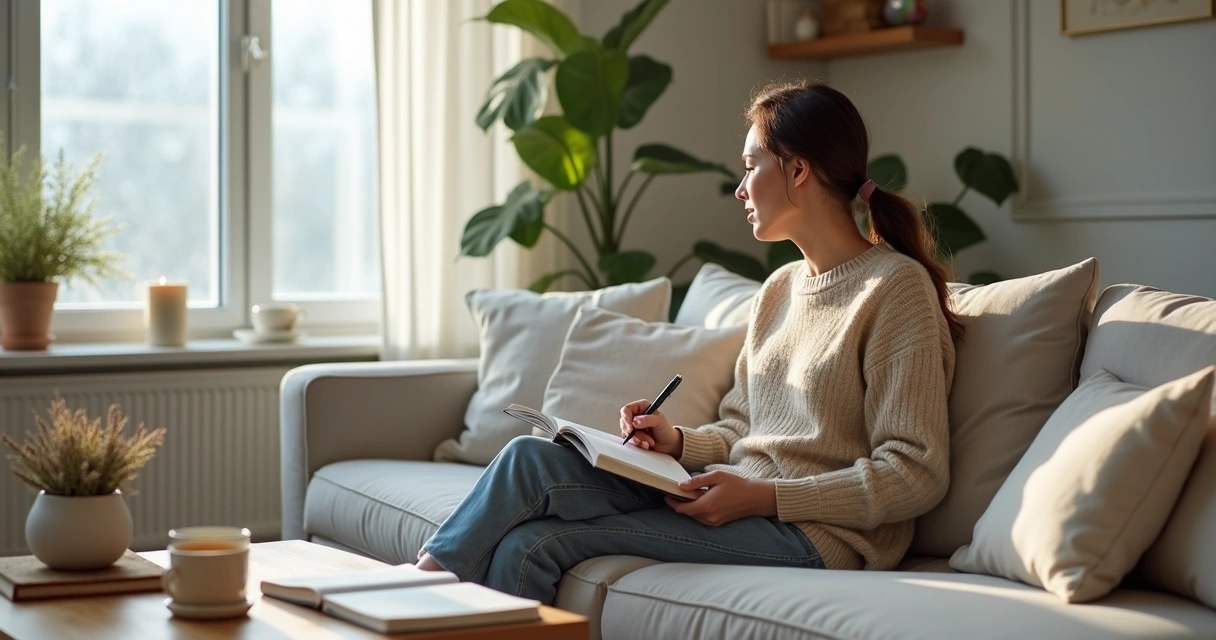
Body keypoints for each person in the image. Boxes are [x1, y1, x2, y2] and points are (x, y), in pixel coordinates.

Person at [414, 79, 961, 605]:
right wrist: (677, 442)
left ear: (798, 170)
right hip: (732, 494)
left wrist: (768, 497)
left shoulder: (895, 289)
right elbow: (742, 427)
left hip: (818, 535)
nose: (741, 188)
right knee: (528, 459)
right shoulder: (779, 289)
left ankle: (411, 600)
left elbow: (915, 472)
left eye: (751, 168)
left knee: (531, 545)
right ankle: (418, 585)